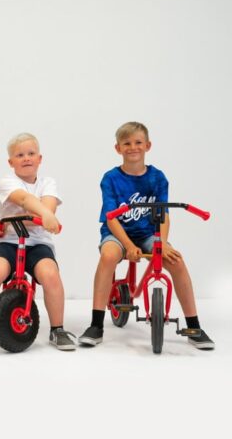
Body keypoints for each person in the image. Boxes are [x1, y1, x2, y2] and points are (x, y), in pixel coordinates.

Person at [78, 122, 214, 349]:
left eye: (138, 142)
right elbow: (111, 218)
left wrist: (163, 243)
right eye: (127, 143)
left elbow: (164, 214)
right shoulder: (111, 178)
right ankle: (96, 325)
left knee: (176, 261)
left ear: (148, 145)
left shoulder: (157, 178)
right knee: (108, 256)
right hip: (117, 233)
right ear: (118, 148)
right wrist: (128, 245)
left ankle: (194, 327)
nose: (133, 147)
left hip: (149, 233)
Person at [0, 133, 76, 351]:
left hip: (38, 244)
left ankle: (57, 330)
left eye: (31, 154)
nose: (26, 158)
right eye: (20, 155)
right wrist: (44, 216)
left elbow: (48, 209)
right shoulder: (8, 182)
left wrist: (37, 216)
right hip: (8, 242)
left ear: (40, 159)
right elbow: (25, 200)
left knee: (50, 274)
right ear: (11, 162)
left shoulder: (48, 183)